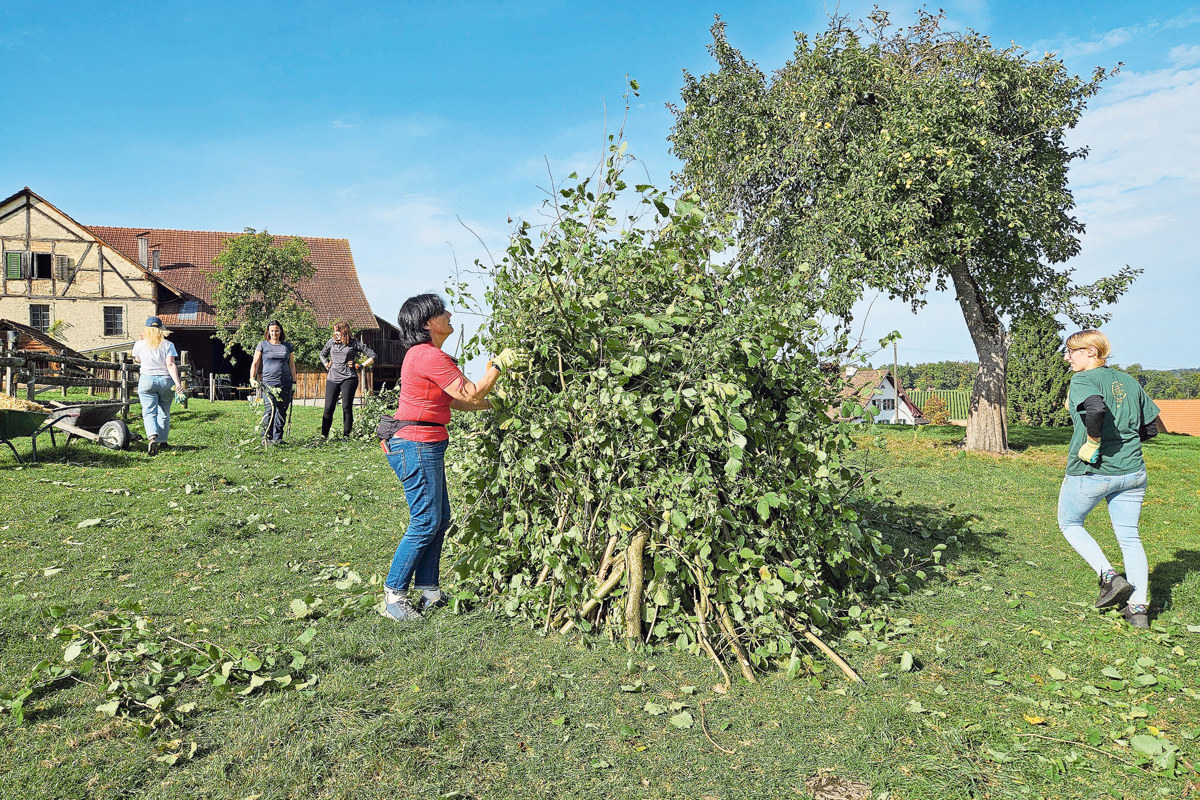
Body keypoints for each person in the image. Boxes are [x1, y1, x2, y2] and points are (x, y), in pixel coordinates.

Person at [381, 293, 519, 621]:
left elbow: (457, 401)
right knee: (426, 521)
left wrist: (498, 401)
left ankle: (428, 591)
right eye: (441, 312)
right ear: (428, 323)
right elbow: (470, 391)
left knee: (440, 520)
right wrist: (498, 366)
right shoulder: (428, 355)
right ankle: (393, 595)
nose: (448, 314)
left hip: (424, 443)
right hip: (415, 444)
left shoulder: (427, 356)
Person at [1058, 329, 1160, 629]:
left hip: (1093, 472)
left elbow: (1096, 409)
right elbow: (1150, 429)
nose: (1066, 357)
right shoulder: (1129, 381)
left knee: (1070, 524)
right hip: (1133, 472)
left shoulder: (1083, 380)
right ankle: (1138, 610)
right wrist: (1122, 440)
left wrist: (1092, 441)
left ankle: (1110, 578)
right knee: (1130, 537)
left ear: (1091, 351)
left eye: (1071, 351)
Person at [131, 316, 185, 456]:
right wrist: (178, 383)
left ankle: (152, 437)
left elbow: (138, 359)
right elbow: (170, 364)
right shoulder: (168, 345)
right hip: (165, 381)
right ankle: (163, 441)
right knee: (164, 412)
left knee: (149, 411)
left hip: (147, 380)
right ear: (161, 329)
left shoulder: (139, 344)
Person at [319, 320, 376, 439]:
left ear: (345, 331)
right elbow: (322, 354)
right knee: (328, 407)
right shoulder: (331, 342)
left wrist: (360, 366)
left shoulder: (354, 343)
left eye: (338, 332)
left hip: (349, 378)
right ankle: (324, 436)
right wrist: (326, 364)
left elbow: (372, 355)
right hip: (332, 378)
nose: (336, 334)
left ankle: (346, 435)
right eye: (335, 332)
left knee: (346, 406)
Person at [250, 320, 298, 444]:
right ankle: (266, 437)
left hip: (285, 382)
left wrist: (294, 382)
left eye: (276, 330)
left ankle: (278, 438)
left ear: (280, 331)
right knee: (270, 409)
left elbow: (292, 365)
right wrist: (252, 378)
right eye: (272, 331)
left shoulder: (287, 346)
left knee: (282, 410)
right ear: (268, 332)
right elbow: (255, 363)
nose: (274, 333)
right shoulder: (263, 345)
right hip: (268, 383)